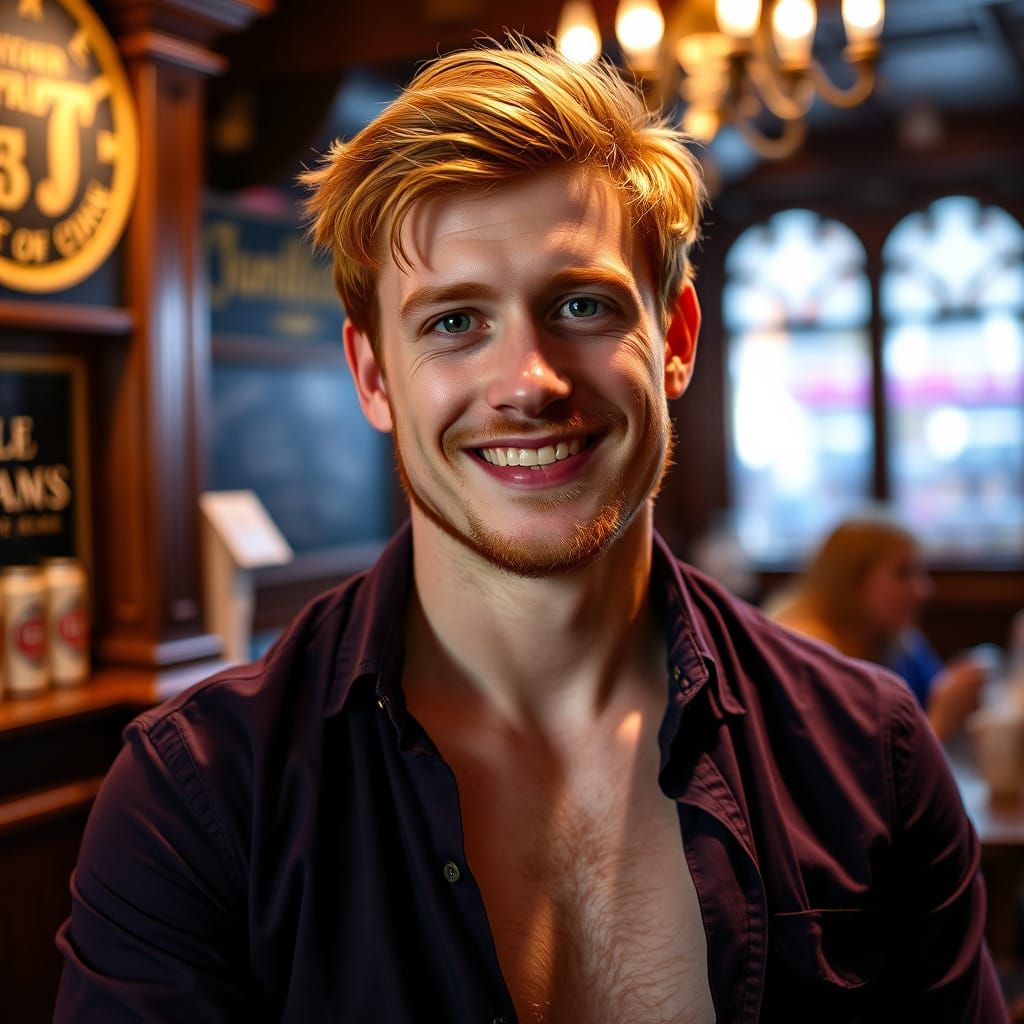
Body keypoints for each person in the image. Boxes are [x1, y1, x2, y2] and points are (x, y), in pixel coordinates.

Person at [54, 39, 1007, 1023]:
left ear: (674, 339)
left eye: (582, 305)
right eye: (454, 323)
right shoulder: (199, 798)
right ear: (374, 376)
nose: (529, 383)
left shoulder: (869, 751)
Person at [770, 513, 987, 742]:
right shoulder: (806, 654)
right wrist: (939, 723)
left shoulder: (898, 636)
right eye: (903, 573)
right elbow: (847, 773)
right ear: (851, 582)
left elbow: (934, 691)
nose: (923, 589)